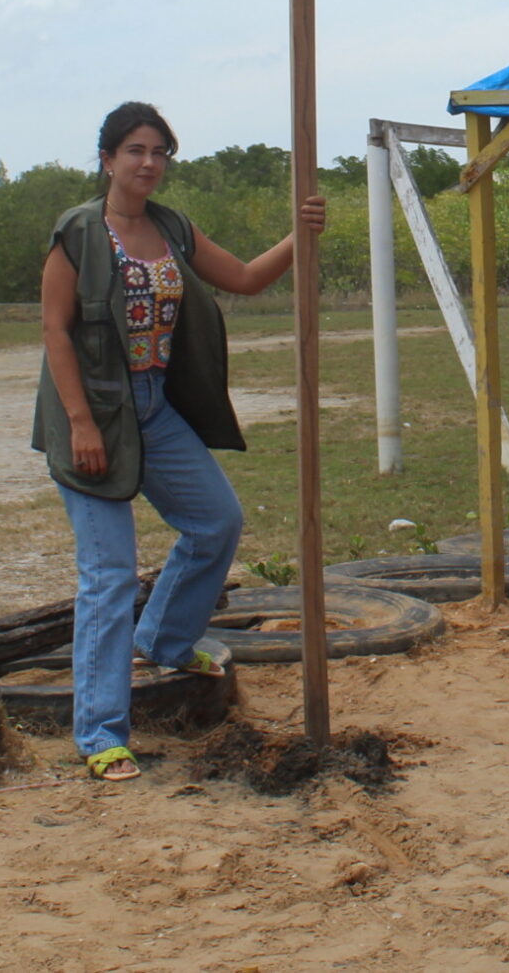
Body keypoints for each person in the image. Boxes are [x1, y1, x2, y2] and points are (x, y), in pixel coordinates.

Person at [35, 101, 326, 780]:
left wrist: (300, 235)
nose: (148, 162)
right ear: (107, 158)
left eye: (159, 150)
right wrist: (80, 422)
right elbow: (55, 331)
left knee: (215, 521)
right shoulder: (78, 233)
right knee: (107, 574)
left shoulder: (171, 228)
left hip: (154, 404)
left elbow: (248, 278)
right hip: (92, 411)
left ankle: (165, 638)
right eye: (135, 149)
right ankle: (103, 734)